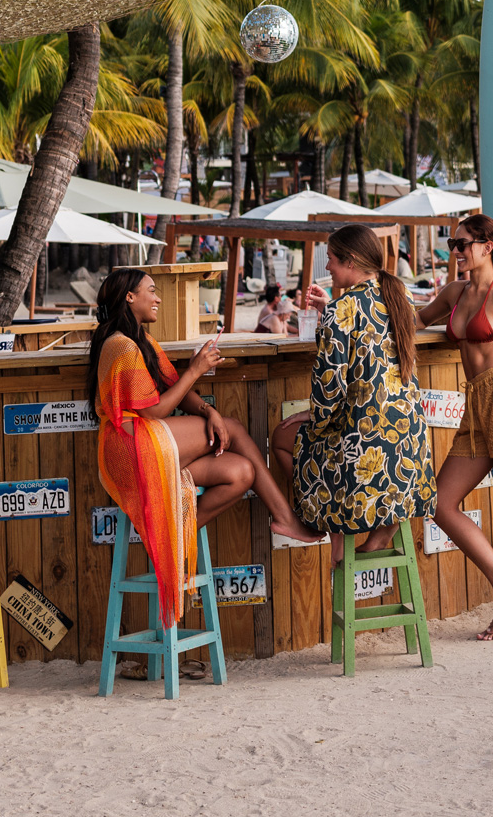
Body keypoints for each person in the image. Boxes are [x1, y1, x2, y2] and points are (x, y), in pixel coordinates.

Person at [89, 270, 318, 625]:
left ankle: (175, 535)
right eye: (152, 291)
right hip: (130, 448)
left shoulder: (142, 341)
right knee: (236, 429)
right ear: (130, 298)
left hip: (154, 443)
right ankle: (285, 517)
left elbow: (171, 382)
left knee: (241, 472)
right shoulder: (121, 344)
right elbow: (154, 410)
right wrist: (196, 369)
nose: (158, 298)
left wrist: (208, 410)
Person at [415, 213, 493, 640]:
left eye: (464, 244)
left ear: (488, 246)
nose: (456, 251)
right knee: (439, 502)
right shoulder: (454, 293)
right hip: (475, 404)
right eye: (453, 244)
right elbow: (414, 320)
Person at [272, 224, 435, 553]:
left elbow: (329, 389)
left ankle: (319, 522)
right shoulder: (399, 298)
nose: (327, 267)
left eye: (330, 259)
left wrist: (314, 415)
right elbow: (369, 339)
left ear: (350, 262)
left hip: (363, 452)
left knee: (280, 438)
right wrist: (327, 309)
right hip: (411, 448)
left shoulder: (340, 312)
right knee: (324, 434)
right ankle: (385, 526)